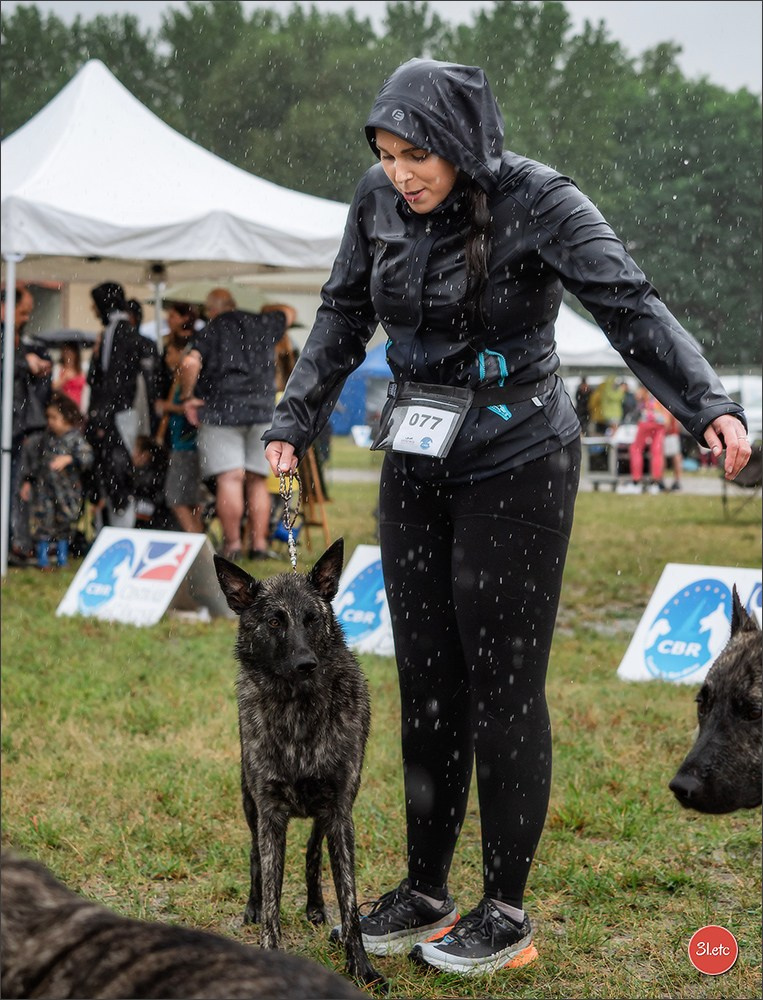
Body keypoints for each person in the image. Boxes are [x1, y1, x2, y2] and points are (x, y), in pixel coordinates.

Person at [262, 59, 751, 978]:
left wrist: (708, 406)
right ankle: (423, 888)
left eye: (418, 156)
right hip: (414, 453)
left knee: (501, 685)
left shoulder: (541, 200)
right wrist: (295, 415)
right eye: (386, 154)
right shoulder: (374, 202)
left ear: (461, 143)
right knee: (428, 679)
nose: (400, 174)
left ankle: (506, 909)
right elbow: (339, 310)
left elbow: (626, 304)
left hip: (518, 458)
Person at [179, 289, 296, 561]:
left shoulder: (211, 329)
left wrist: (188, 397)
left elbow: (189, 362)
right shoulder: (262, 322)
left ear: (212, 310)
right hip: (262, 411)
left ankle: (232, 546)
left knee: (229, 478)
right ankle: (258, 545)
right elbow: (290, 312)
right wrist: (270, 308)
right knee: (257, 480)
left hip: (222, 411)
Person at [85, 281, 159, 528]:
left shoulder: (121, 336)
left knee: (118, 474)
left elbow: (113, 384)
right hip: (120, 416)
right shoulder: (126, 336)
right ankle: (119, 526)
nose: (92, 309)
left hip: (123, 417)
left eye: (95, 305)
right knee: (116, 475)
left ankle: (122, 529)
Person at [2, 284, 53, 565]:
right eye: (22, 313)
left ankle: (14, 543)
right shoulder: (7, 339)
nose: (25, 318)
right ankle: (11, 544)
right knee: (11, 489)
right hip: (8, 427)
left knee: (17, 488)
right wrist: (24, 362)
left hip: (17, 426)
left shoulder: (17, 338)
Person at [19, 391, 93, 570]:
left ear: (67, 418)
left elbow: (87, 457)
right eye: (49, 418)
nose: (50, 422)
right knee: (43, 523)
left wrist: (69, 459)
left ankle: (62, 558)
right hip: (45, 490)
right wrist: (28, 480)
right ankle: (42, 559)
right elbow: (37, 462)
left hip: (67, 492)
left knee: (64, 525)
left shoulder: (75, 439)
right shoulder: (46, 438)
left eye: (54, 417)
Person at [155, 338, 204, 533]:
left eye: (170, 353)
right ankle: (198, 540)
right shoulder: (178, 377)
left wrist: (167, 406)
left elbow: (189, 407)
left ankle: (196, 540)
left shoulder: (187, 377)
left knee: (176, 498)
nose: (167, 358)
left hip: (186, 445)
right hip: (184, 444)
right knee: (191, 499)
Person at [623, 387, 670, 494]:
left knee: (636, 449)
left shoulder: (646, 381)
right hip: (660, 421)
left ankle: (636, 481)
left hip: (647, 420)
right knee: (657, 452)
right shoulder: (663, 386)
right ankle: (656, 482)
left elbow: (638, 396)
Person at [53, 341, 87, 411]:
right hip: (63, 408)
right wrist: (64, 379)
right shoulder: (58, 368)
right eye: (66, 352)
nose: (68, 355)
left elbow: (85, 391)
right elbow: (53, 387)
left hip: (78, 408)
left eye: (71, 352)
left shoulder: (81, 370)